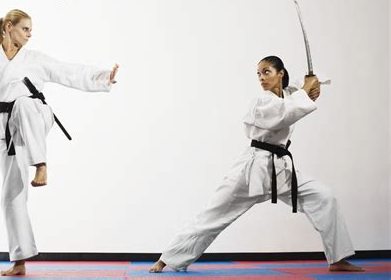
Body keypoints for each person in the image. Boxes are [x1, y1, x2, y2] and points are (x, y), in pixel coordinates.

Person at [0, 0, 119, 276]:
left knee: (23, 104)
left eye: (31, 30)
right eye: (25, 29)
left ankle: (41, 164)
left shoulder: (36, 60)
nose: (30, 34)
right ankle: (19, 260)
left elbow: (68, 72)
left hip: (35, 119)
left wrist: (102, 77)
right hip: (4, 129)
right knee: (10, 195)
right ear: (9, 27)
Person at [149, 56, 363, 273]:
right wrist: (306, 93)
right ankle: (167, 259)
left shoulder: (288, 95)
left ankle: (337, 259)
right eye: (258, 74)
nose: (261, 77)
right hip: (252, 170)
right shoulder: (262, 101)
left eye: (266, 72)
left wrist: (313, 83)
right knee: (212, 216)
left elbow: (303, 89)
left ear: (281, 73)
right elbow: (284, 113)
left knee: (324, 197)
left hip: (281, 169)